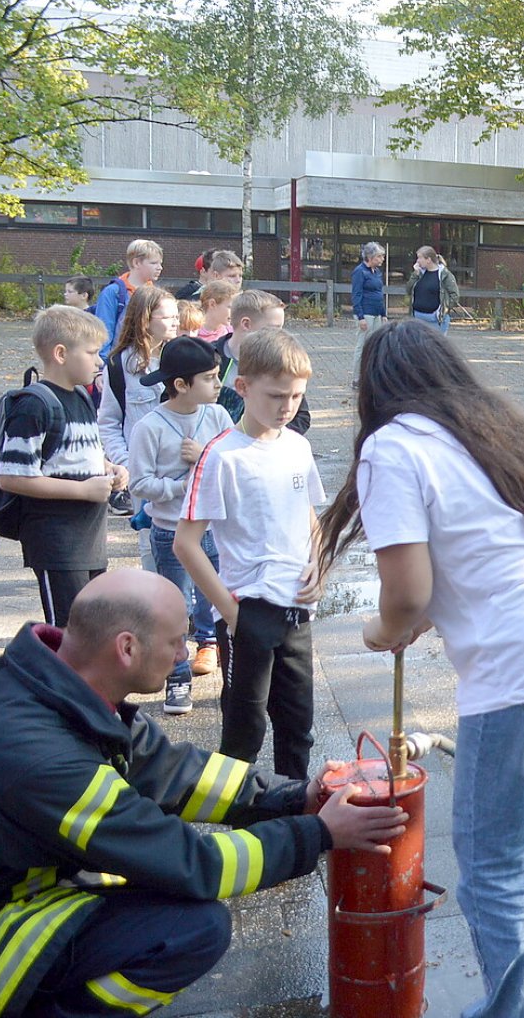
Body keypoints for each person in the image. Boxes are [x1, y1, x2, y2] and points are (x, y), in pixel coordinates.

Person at [316, 321, 524, 1018]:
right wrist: (415, 616)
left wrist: (382, 632)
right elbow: (477, 561)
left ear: (373, 389)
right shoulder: (493, 428)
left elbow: (405, 595)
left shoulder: (393, 447)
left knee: (496, 870)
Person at [0, 569, 408, 1018]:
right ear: (127, 648)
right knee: (193, 929)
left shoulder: (35, 683)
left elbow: (170, 771)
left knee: (140, 878)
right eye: (175, 640)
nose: (185, 652)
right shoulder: (45, 759)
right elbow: (195, 864)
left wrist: (293, 796)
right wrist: (319, 833)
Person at [176, 328, 324, 780]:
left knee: (298, 727)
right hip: (249, 609)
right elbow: (186, 542)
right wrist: (231, 612)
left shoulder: (298, 446)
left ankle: (296, 816)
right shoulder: (222, 456)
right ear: (242, 387)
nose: (287, 407)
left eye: (297, 396)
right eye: (277, 395)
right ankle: (241, 822)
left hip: (298, 608)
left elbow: (311, 518)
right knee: (244, 729)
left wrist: (318, 564)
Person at [0, 306, 130, 626]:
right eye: (93, 352)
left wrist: (109, 468)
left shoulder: (81, 397)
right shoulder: (34, 405)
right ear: (60, 353)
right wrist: (82, 490)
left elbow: (77, 454)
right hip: (57, 544)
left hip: (90, 540)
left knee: (93, 630)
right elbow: (11, 477)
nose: (99, 361)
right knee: (69, 633)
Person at [130, 337, 234, 713]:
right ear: (180, 385)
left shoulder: (219, 416)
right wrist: (185, 483)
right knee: (175, 608)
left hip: (215, 532)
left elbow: (232, 463)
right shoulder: (150, 427)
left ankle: (231, 678)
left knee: (220, 605)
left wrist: (204, 456)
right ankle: (176, 679)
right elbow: (139, 483)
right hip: (171, 533)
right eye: (209, 378)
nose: (218, 384)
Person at [98, 284, 178, 535]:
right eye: (167, 317)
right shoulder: (117, 365)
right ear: (145, 320)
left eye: (177, 316)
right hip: (143, 475)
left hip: (181, 470)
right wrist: (127, 464)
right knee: (149, 542)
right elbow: (109, 422)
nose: (175, 322)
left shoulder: (184, 358)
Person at [211, 289, 311, 434]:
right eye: (273, 329)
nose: (279, 335)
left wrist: (267, 436)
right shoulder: (208, 356)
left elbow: (301, 417)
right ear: (246, 324)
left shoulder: (279, 358)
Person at [94, 239, 165, 360]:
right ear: (136, 263)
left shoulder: (157, 295)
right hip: (118, 362)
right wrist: (103, 368)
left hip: (149, 360)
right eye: (154, 263)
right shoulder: (113, 293)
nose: (160, 268)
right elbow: (104, 332)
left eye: (160, 263)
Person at [351, 242, 388, 382]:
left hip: (377, 313)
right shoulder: (359, 271)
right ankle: (357, 378)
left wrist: (383, 313)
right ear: (370, 257)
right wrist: (360, 317)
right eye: (379, 256)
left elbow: (380, 293)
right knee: (363, 345)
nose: (382, 259)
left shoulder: (377, 272)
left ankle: (373, 375)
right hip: (365, 313)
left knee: (377, 345)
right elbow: (356, 295)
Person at [406, 246, 459, 332]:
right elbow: (408, 289)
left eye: (420, 258)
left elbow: (454, 295)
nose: (417, 261)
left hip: (435, 319)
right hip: (417, 317)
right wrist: (415, 273)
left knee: (434, 344)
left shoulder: (444, 275)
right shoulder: (419, 274)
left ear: (428, 260)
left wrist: (443, 309)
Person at [196, 278, 236, 342]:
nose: (234, 311)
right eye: (230, 307)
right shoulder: (192, 332)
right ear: (212, 304)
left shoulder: (232, 333)